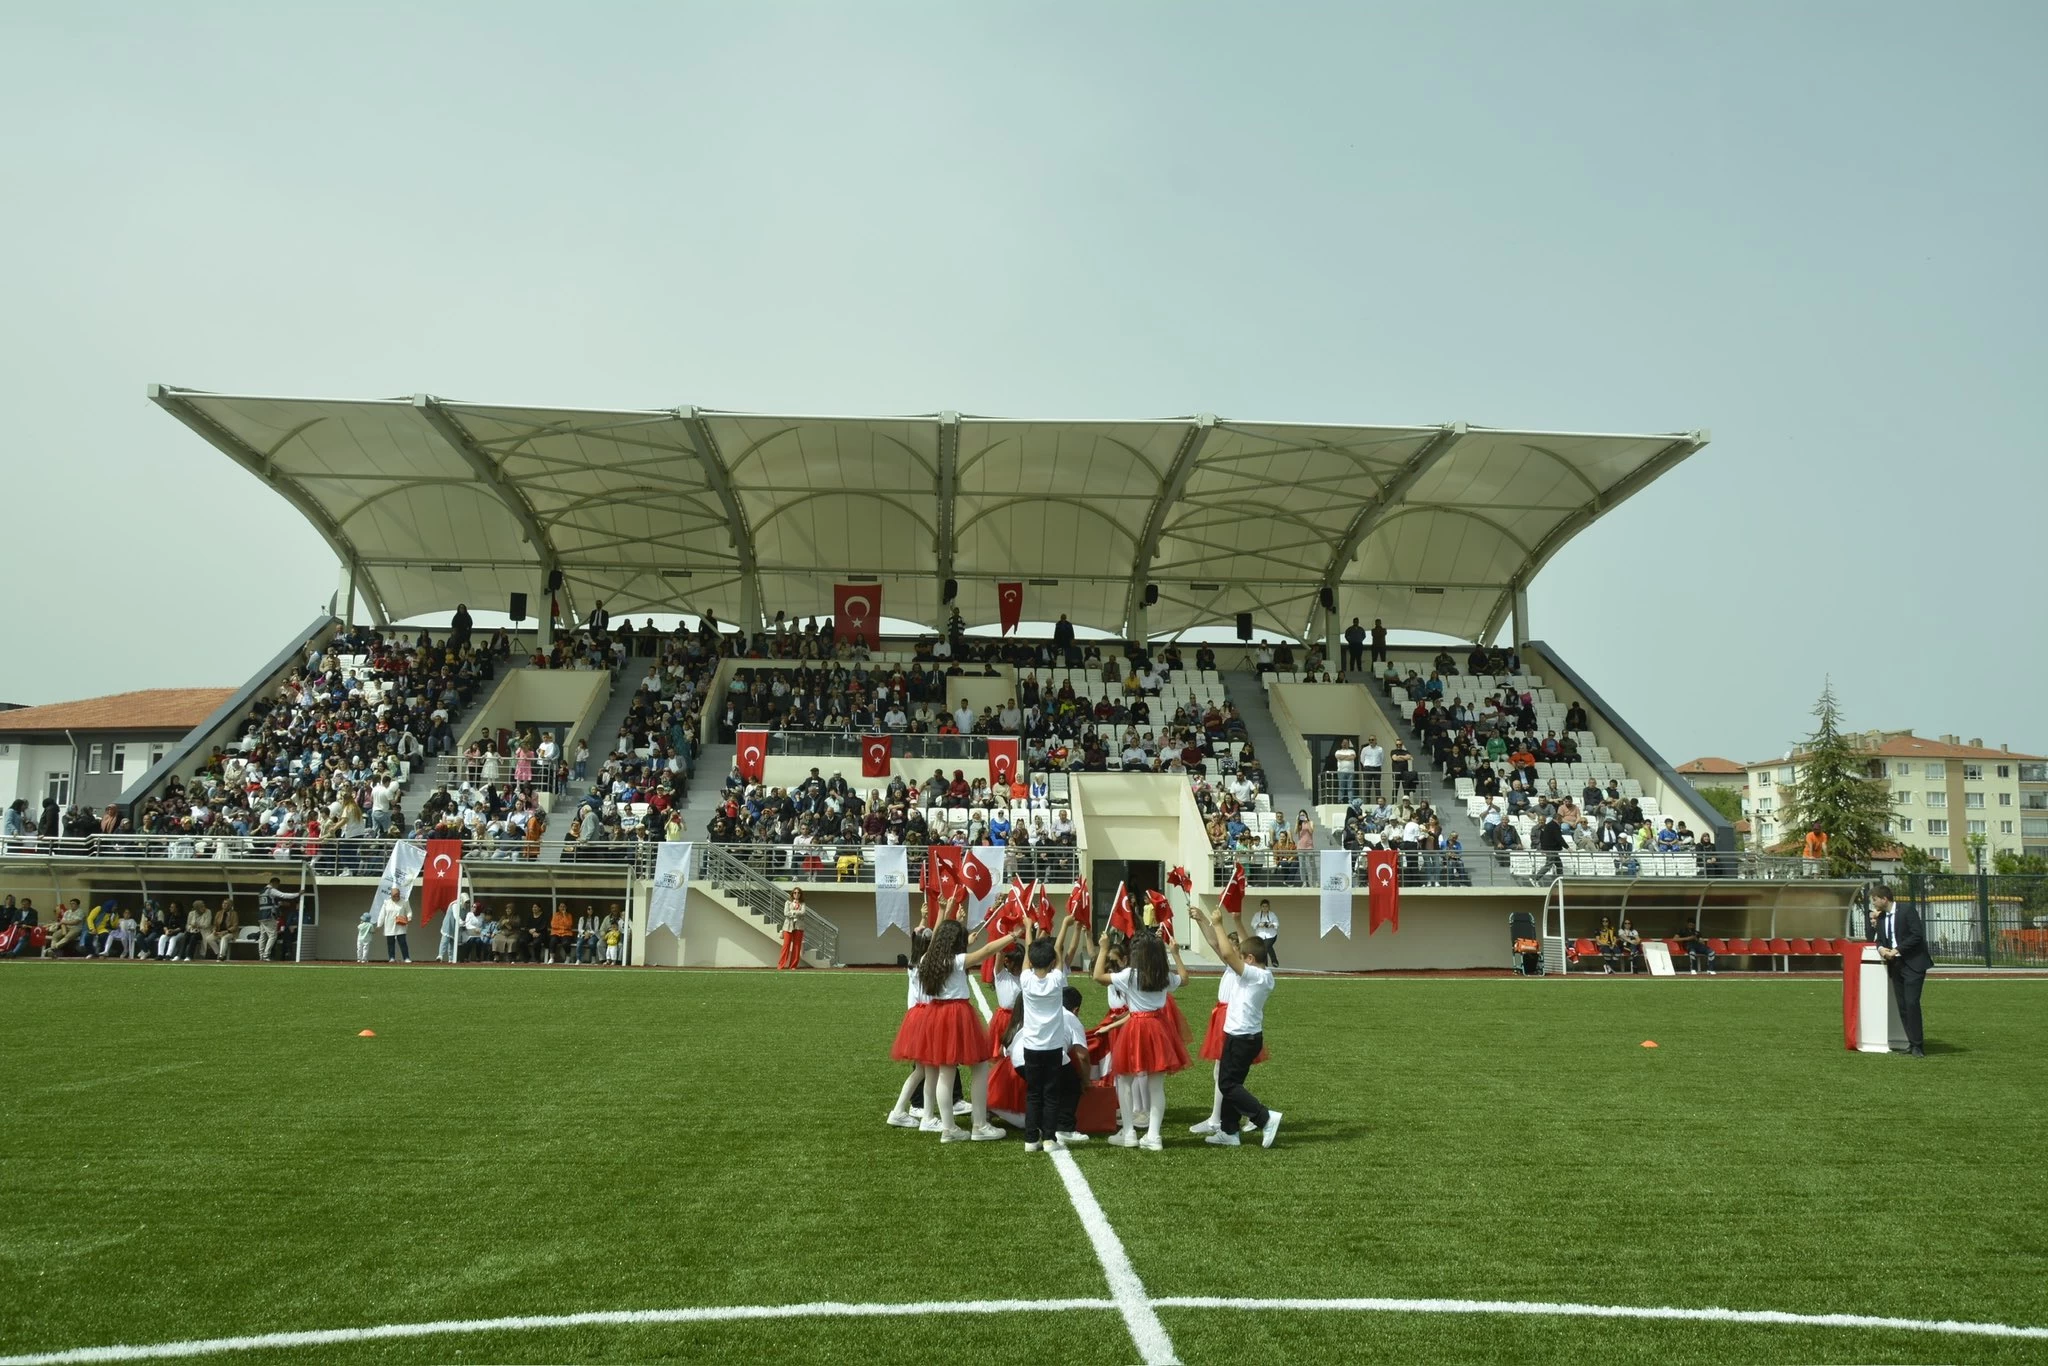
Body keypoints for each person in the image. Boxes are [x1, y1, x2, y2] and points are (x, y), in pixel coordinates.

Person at [890, 894, 1015, 1141]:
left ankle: (949, 1128)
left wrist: (948, 917)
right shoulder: (957, 960)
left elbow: (939, 938)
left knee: (945, 1072)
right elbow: (987, 950)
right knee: (979, 1066)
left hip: (936, 1014)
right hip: (957, 1012)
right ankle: (979, 1125)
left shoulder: (927, 959)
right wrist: (1013, 935)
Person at [1191, 894, 1282, 1148]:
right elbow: (1244, 947)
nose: (1238, 959)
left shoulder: (1257, 976)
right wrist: (1238, 921)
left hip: (1244, 1037)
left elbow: (1231, 956)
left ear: (1250, 960)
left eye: (1244, 957)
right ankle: (1229, 1132)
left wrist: (1219, 924)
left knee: (1228, 1084)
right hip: (1239, 1034)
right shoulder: (1257, 971)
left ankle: (1264, 1118)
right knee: (1230, 1082)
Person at [1093, 924, 1190, 1151]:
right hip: (1159, 1027)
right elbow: (1184, 979)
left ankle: (1129, 1133)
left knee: (1124, 1080)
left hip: (1135, 1026)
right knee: (1156, 1085)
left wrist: (1103, 948)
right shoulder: (1163, 975)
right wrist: (1175, 953)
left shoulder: (1130, 975)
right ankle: (1153, 1136)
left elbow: (1098, 976)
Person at [1870, 884, 1931, 1056]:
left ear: (1884, 899)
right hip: (1896, 966)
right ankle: (1912, 1043)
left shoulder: (1907, 911)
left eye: (1874, 900)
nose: (1873, 904)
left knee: (1912, 1003)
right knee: (1903, 1006)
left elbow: (1916, 935)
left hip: (1913, 963)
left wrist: (1898, 950)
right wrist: (1881, 949)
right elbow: (1878, 940)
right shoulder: (1881, 918)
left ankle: (1918, 1045)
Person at [378, 887, 412, 963]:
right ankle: (391, 957)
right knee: (390, 943)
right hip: (389, 926)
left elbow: (409, 911)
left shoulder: (404, 901)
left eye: (397, 895)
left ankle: (406, 958)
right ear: (391, 895)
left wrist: (409, 917)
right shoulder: (386, 902)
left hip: (401, 925)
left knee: (403, 942)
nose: (396, 897)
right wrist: (379, 924)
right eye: (394, 896)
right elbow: (382, 914)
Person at [778, 887, 807, 970]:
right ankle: (781, 965)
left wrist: (793, 912)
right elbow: (785, 913)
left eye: (798, 893)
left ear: (800, 894)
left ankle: (793, 966)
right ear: (792, 894)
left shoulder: (803, 903)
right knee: (786, 945)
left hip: (799, 926)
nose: (796, 894)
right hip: (788, 926)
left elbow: (803, 912)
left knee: (797, 946)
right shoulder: (788, 902)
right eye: (795, 893)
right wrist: (796, 913)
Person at [1250, 899, 1279, 968]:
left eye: (1266, 906)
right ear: (1261, 907)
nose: (1265, 908)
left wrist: (1271, 925)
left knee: (1266, 946)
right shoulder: (1257, 915)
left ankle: (1274, 961)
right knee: (1264, 950)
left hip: (1271, 935)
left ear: (1269, 907)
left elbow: (1277, 924)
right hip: (1260, 935)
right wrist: (1259, 924)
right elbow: (1252, 924)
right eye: (1263, 906)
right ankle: (1265, 965)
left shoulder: (1272, 914)